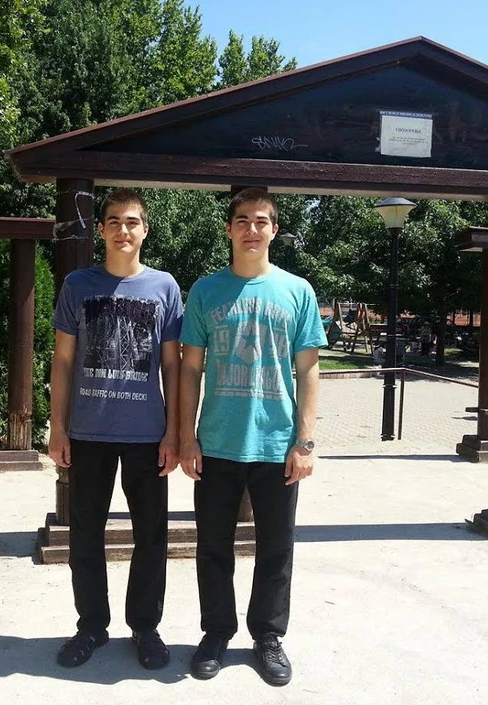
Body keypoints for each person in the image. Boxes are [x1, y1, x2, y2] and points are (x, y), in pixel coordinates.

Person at [179, 187, 327, 686]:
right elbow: (190, 369)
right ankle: (216, 633)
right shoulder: (205, 291)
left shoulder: (297, 291)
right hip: (217, 441)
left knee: (277, 547)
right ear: (228, 229)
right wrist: (186, 436)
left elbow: (309, 370)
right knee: (212, 546)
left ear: (274, 230)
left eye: (261, 221)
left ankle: (267, 635)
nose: (251, 229)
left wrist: (305, 442)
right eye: (242, 220)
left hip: (277, 444)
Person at [49, 188, 183, 670]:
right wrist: (57, 427)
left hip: (148, 434)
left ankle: (145, 627)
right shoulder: (77, 285)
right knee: (85, 533)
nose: (123, 230)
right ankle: (91, 626)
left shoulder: (164, 286)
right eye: (114, 222)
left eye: (132, 222)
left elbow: (173, 365)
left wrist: (175, 431)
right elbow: (63, 360)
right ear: (101, 230)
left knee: (151, 536)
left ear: (145, 230)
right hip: (88, 432)